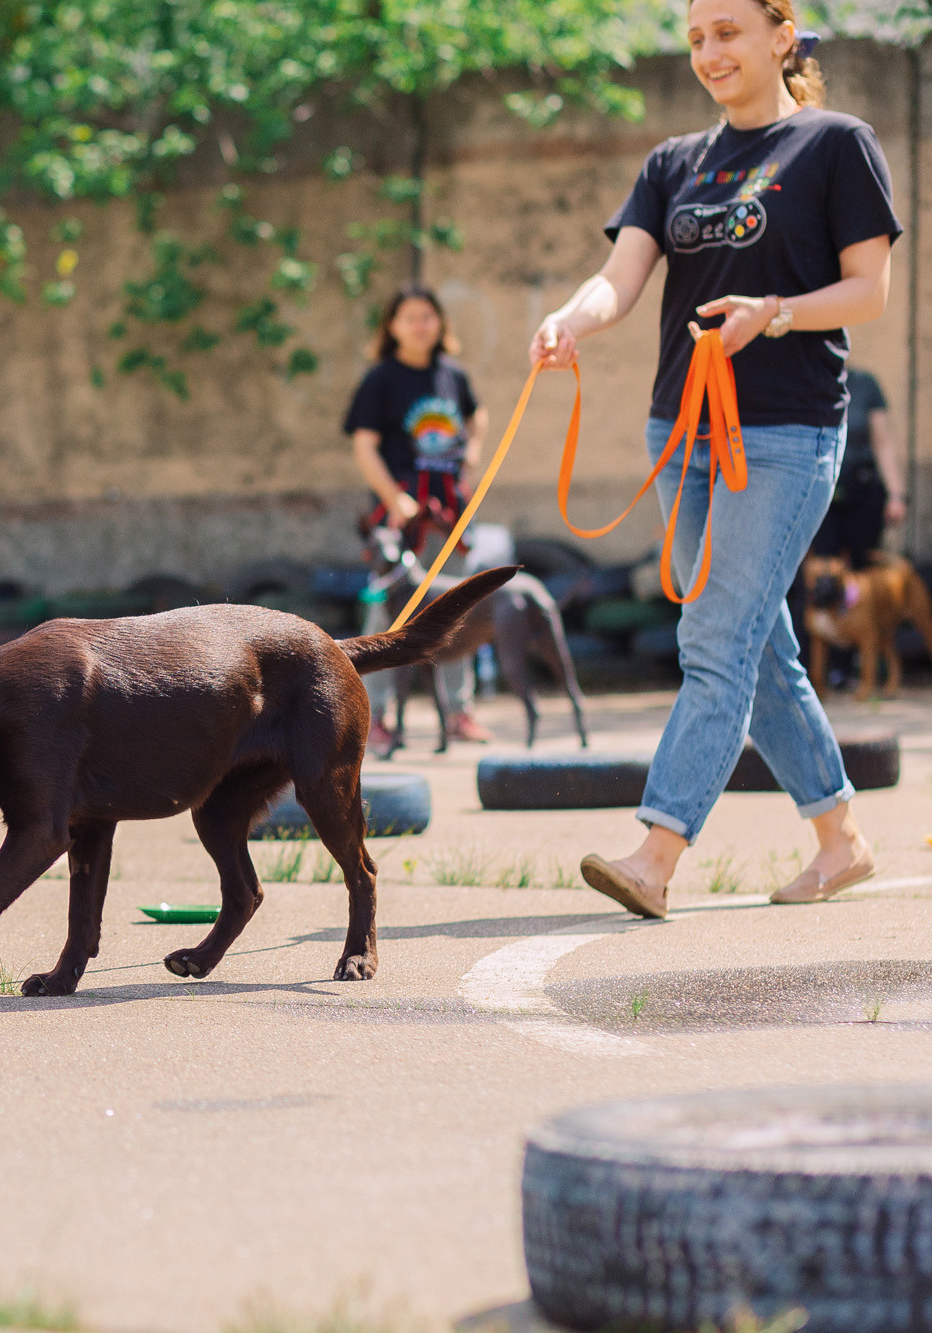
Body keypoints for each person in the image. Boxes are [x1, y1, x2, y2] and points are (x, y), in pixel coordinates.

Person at [528, 0, 899, 914]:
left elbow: (868, 292)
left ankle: (656, 853)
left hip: (786, 432)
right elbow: (620, 279)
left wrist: (773, 313)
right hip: (680, 429)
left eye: (728, 32)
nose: (709, 52)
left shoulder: (836, 144)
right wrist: (571, 320)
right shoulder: (673, 163)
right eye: (697, 37)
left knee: (715, 636)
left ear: (783, 34)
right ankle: (841, 839)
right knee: (755, 644)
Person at [345, 282, 494, 748]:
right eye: (409, 317)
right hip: (402, 520)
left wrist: (472, 454)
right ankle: (371, 719)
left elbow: (477, 415)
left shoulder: (453, 375)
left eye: (427, 316)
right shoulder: (380, 380)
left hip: (449, 514)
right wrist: (394, 499)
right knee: (386, 617)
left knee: (455, 610)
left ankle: (458, 714)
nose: (419, 325)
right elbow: (364, 446)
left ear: (439, 323)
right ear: (393, 326)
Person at [810, 365, 905, 569]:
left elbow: (882, 441)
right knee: (825, 569)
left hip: (862, 490)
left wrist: (896, 495)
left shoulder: (864, 383)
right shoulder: (811, 379)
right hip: (823, 493)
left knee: (863, 566)